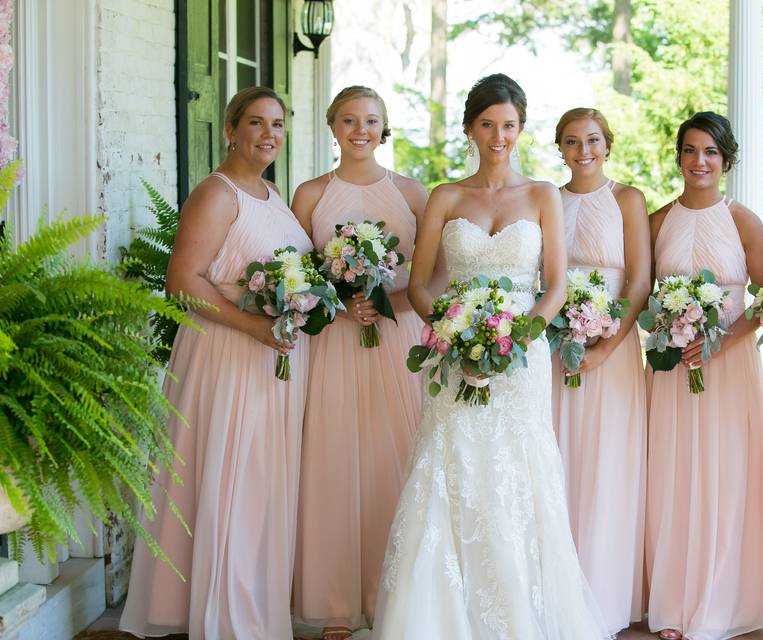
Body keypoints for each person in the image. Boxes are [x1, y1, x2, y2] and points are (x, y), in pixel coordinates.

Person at [371, 73, 607, 639]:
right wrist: (454, 335)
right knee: (452, 472)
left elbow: (553, 287)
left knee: (517, 479)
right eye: (487, 125)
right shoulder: (446, 196)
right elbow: (422, 285)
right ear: (470, 129)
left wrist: (514, 341)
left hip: (521, 359)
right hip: (454, 358)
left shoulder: (544, 194)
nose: (498, 136)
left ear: (521, 129)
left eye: (509, 125)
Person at [120, 86, 311, 640]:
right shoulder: (217, 193)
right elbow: (181, 281)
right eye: (255, 123)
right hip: (228, 352)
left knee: (262, 482)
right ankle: (226, 614)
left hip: (274, 358)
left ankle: (253, 602)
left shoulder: (274, 196)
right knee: (233, 475)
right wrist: (254, 325)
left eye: (277, 124)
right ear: (230, 130)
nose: (268, 134)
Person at [290, 86, 427, 640]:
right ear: (332, 127)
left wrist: (386, 298)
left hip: (399, 340)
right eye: (348, 119)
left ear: (385, 126)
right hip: (336, 341)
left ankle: (397, 596)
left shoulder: (413, 192)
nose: (360, 129)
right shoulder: (310, 194)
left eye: (371, 120)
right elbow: (294, 269)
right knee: (334, 459)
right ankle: (336, 602)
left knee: (397, 458)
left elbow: (430, 271)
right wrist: (339, 301)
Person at [646, 112, 763, 640]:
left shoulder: (742, 219)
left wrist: (717, 342)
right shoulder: (657, 221)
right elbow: (642, 295)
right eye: (690, 150)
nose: (700, 162)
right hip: (673, 368)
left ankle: (720, 601)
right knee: (672, 475)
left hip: (729, 365)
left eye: (711, 153)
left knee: (725, 475)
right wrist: (671, 331)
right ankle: (674, 601)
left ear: (726, 161)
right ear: (678, 155)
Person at [551, 107, 650, 637]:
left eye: (591, 140)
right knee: (558, 458)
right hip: (554, 348)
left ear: (607, 145)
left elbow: (639, 281)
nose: (582, 150)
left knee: (607, 460)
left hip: (613, 352)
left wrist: (605, 346)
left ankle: (606, 596)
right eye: (571, 141)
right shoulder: (547, 198)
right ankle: (559, 593)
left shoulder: (627, 200)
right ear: (559, 148)